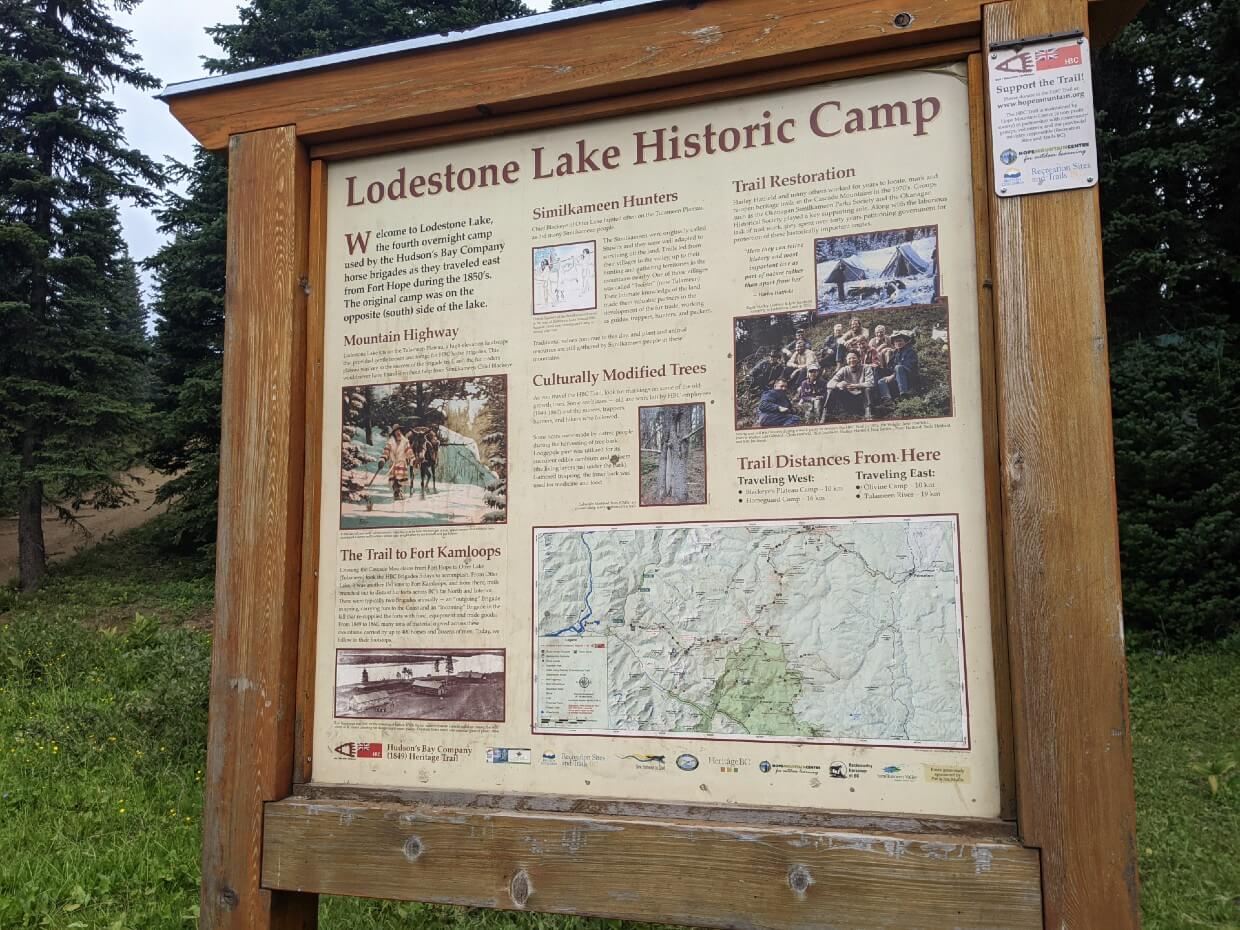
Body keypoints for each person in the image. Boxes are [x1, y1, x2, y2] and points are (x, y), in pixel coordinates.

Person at [825, 351, 876, 420]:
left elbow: (870, 383)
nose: (851, 360)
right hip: (849, 398)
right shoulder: (844, 369)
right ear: (846, 360)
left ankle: (868, 413)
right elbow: (829, 384)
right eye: (849, 358)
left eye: (854, 358)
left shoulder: (866, 367)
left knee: (868, 389)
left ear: (859, 359)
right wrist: (838, 384)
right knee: (831, 389)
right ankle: (826, 414)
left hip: (862, 398)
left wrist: (856, 386)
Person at [877, 331, 920, 401]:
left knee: (898, 367)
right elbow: (890, 367)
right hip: (898, 378)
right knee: (881, 381)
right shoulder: (895, 353)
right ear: (894, 343)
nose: (898, 343)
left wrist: (893, 375)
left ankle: (904, 394)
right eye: (896, 341)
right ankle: (887, 400)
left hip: (910, 378)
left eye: (900, 341)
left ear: (905, 341)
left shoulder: (910, 351)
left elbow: (909, 367)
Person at [379, 424, 413, 501]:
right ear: (394, 433)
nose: (398, 432)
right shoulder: (390, 442)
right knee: (394, 479)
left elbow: (409, 452)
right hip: (393, 464)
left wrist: (413, 460)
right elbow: (386, 452)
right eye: (396, 431)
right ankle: (396, 492)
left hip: (402, 463)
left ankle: (398, 492)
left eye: (399, 431)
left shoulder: (405, 442)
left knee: (400, 479)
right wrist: (383, 459)